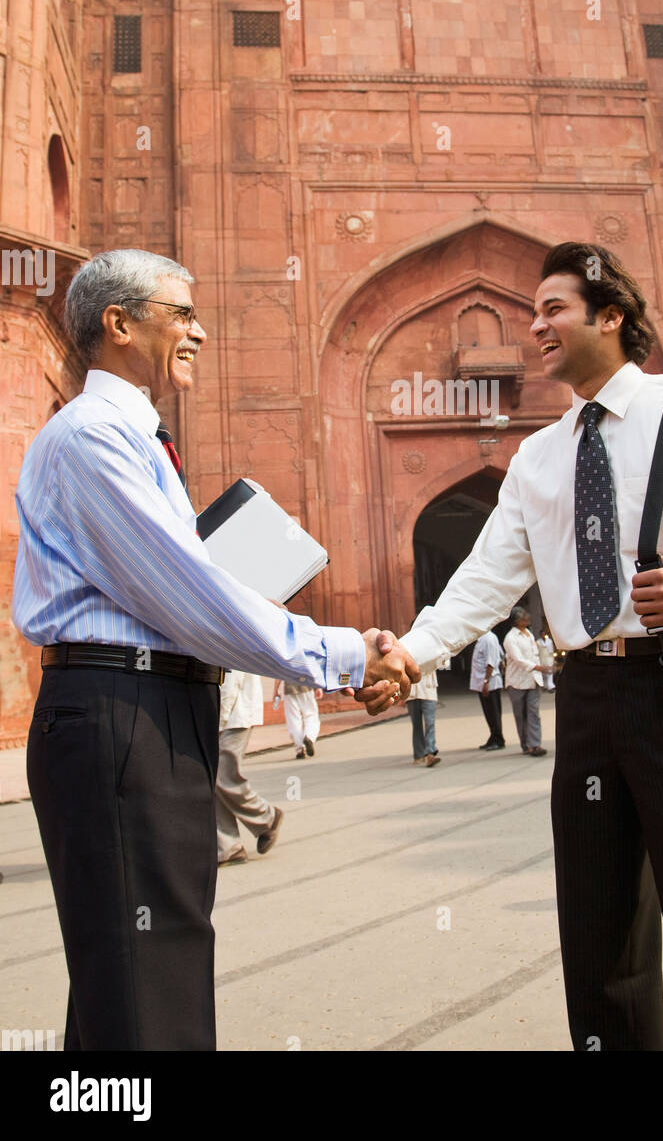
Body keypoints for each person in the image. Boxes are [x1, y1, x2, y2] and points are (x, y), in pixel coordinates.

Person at [396, 240, 663, 1051]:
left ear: (611, 316)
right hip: (588, 697)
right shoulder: (537, 456)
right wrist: (411, 653)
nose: (535, 327)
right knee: (599, 935)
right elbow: (485, 579)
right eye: (531, 313)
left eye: (551, 308)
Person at [12, 248, 417, 1052]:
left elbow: (187, 584)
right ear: (119, 324)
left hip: (146, 709)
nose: (198, 331)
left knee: (129, 979)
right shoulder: (94, 436)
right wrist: (344, 656)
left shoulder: (132, 436)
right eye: (181, 314)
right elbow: (186, 594)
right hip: (121, 712)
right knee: (145, 978)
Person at [216, 669, 283, 866]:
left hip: (235, 716)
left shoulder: (227, 638)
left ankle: (266, 817)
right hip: (233, 713)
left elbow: (229, 680)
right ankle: (228, 847)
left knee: (223, 775)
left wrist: (218, 721)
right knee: (215, 779)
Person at [504, 607, 547, 756]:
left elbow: (534, 655)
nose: (527, 618)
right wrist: (537, 667)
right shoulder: (510, 638)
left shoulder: (529, 634)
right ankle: (526, 744)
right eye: (524, 616)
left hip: (533, 679)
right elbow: (518, 659)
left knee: (533, 712)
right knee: (521, 714)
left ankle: (535, 744)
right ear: (516, 620)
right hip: (517, 682)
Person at [469, 629, 505, 750]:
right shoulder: (481, 639)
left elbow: (491, 663)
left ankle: (498, 739)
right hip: (483, 682)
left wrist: (486, 682)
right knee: (488, 712)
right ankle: (493, 736)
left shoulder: (488, 639)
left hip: (490, 682)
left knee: (493, 712)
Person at [273, 677, 321, 758]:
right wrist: (318, 686)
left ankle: (300, 749)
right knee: (311, 715)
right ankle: (309, 737)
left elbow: (278, 674)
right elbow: (312, 669)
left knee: (293, 720)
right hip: (306, 686)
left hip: (289, 688)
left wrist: (276, 690)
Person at [408, 663, 441, 767]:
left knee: (429, 723)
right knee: (416, 725)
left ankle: (430, 753)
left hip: (428, 691)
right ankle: (419, 755)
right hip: (412, 693)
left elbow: (445, 664)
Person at [537, 626, 557, 691]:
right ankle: (545, 686)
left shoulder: (549, 641)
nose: (543, 635)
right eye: (542, 634)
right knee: (544, 673)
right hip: (542, 658)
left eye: (544, 634)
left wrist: (553, 658)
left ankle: (550, 686)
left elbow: (552, 650)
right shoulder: (538, 642)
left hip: (549, 658)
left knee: (549, 672)